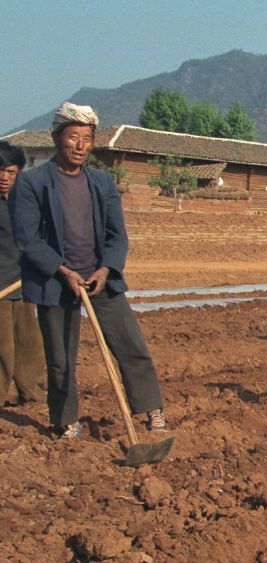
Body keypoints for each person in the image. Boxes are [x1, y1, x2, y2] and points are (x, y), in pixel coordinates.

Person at [8, 102, 168, 439]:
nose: (81, 146)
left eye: (87, 139)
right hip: (56, 283)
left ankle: (152, 410)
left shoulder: (101, 182)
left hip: (99, 280)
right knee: (60, 359)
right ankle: (67, 420)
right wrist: (63, 271)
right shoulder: (32, 183)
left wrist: (106, 268)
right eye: (73, 137)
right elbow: (28, 238)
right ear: (57, 138)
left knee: (129, 345)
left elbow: (116, 235)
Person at [0, 142, 44, 405]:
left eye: (11, 172)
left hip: (23, 283)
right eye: (0, 170)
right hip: (1, 287)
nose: (4, 177)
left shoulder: (24, 203)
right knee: (3, 348)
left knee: (29, 343)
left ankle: (31, 394)